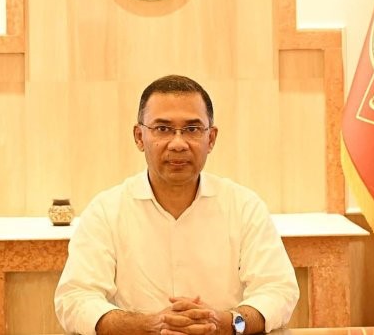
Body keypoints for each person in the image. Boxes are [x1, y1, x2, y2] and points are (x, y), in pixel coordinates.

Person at [54, 75, 299, 335]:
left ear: (211, 138)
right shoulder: (106, 210)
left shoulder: (244, 207)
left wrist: (227, 324)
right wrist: (147, 326)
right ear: (139, 137)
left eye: (192, 129)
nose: (178, 143)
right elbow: (75, 299)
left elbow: (277, 291)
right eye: (163, 129)